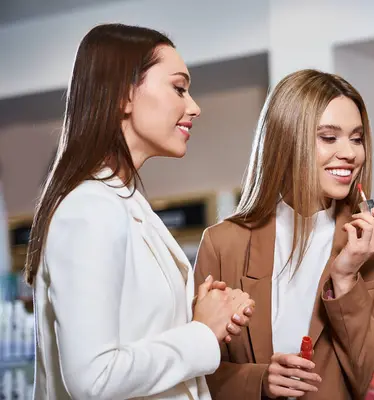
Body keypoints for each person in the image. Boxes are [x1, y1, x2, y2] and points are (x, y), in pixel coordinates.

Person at [24, 23, 254, 400]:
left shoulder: (125, 203)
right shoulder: (88, 208)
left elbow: (135, 336)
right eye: (179, 88)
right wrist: (200, 331)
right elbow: (93, 379)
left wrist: (196, 311)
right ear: (123, 95)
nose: (194, 106)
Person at [194, 69, 374, 400]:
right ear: (287, 140)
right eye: (329, 137)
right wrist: (260, 381)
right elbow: (195, 373)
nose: (351, 153)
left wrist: (345, 280)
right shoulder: (224, 243)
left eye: (356, 138)